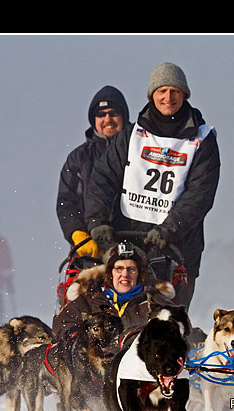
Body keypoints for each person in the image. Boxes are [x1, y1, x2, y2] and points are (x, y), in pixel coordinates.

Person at [85, 62, 220, 310]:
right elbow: (103, 179)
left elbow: (199, 195)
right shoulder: (132, 135)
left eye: (174, 91)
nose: (168, 97)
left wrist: (168, 230)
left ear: (184, 95)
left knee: (167, 319)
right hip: (127, 239)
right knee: (118, 314)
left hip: (177, 247)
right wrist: (98, 221)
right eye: (162, 91)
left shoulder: (203, 139)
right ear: (152, 95)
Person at [57, 85, 131, 259]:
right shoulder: (78, 158)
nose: (107, 119)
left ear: (124, 116)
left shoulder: (140, 151)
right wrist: (77, 233)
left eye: (113, 113)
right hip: (91, 249)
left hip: (133, 247)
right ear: (93, 119)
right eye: (101, 114)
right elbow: (66, 202)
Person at [52, 240, 175, 342]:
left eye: (131, 269)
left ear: (139, 274)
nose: (125, 274)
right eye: (119, 269)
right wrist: (81, 341)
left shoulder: (154, 301)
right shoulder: (90, 299)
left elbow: (178, 326)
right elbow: (62, 326)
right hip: (95, 360)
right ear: (110, 273)